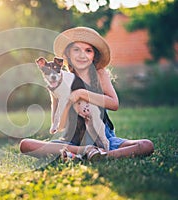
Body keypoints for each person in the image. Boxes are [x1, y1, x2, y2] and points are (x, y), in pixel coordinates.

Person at [19, 27, 154, 161]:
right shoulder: (61, 83)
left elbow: (114, 104)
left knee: (146, 145)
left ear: (94, 55)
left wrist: (81, 93)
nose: (82, 55)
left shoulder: (100, 74)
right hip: (74, 141)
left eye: (88, 50)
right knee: (26, 145)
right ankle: (86, 151)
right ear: (68, 55)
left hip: (104, 138)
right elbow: (60, 126)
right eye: (76, 50)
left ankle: (103, 155)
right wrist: (67, 103)